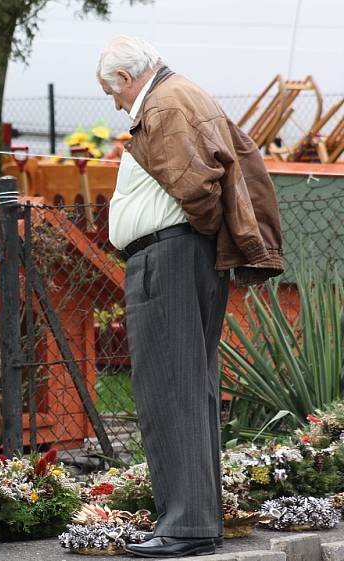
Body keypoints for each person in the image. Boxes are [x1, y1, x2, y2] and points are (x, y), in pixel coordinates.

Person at [96, 36, 283, 558]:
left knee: (168, 389)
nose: (113, 103)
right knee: (188, 389)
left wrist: (189, 233)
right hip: (184, 254)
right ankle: (196, 520)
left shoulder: (164, 103)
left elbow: (198, 187)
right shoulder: (181, 95)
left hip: (170, 255)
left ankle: (186, 527)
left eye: (111, 91)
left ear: (127, 79)